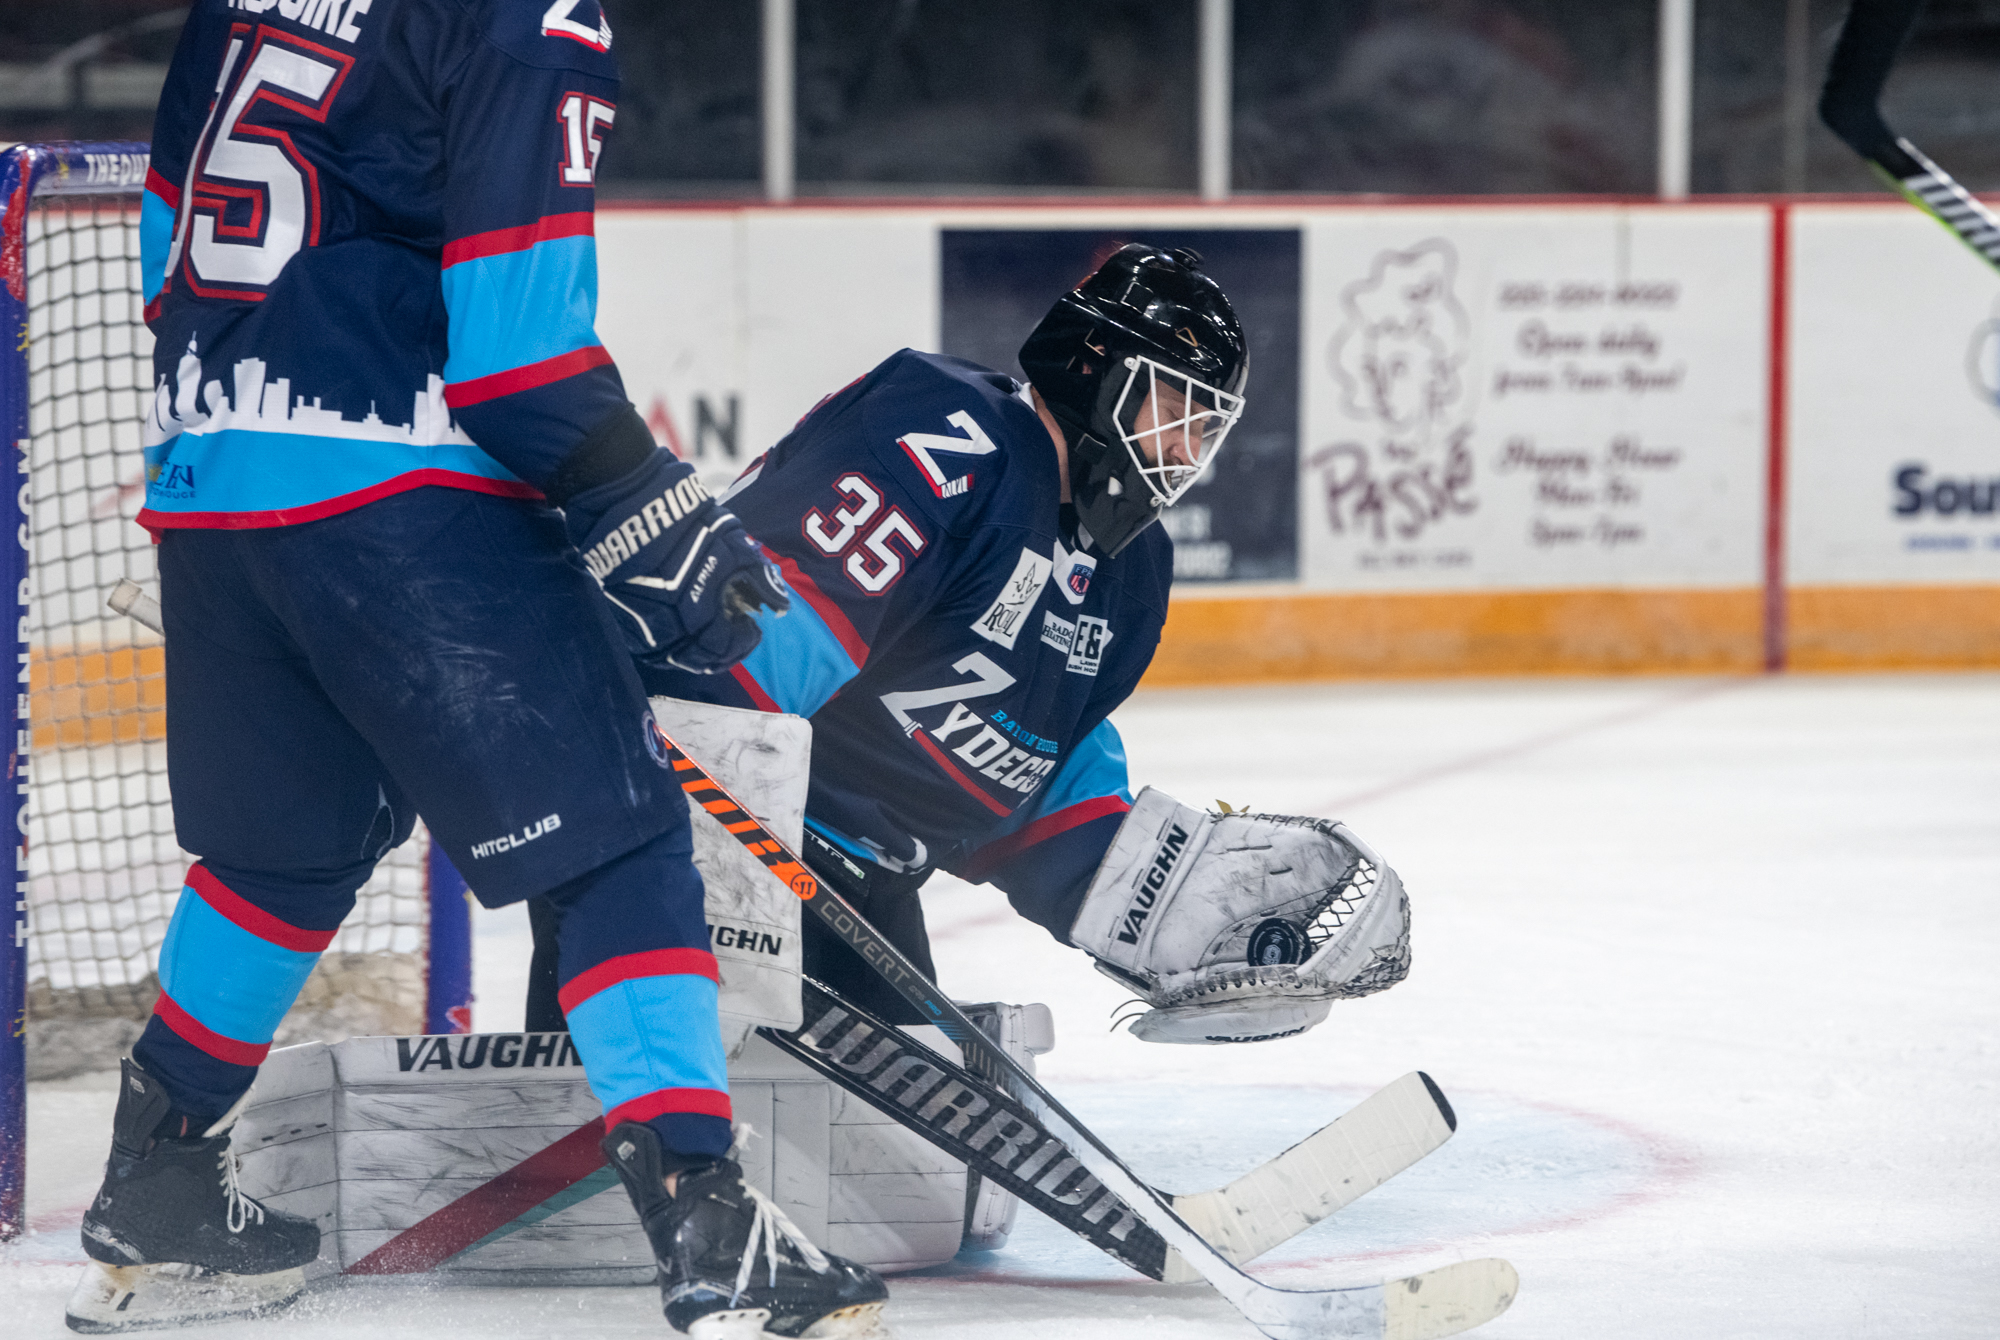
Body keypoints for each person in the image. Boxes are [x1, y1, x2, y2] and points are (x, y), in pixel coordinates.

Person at [70, 2, 885, 1336]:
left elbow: (168, 240)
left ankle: (154, 1176)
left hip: (211, 485)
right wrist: (652, 503)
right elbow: (519, 362)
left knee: (284, 857)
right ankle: (709, 1222)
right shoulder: (526, 14)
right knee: (618, 839)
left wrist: (230, 459)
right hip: (400, 486)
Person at [529, 243, 1413, 1057]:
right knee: (623, 1130)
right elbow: (747, 654)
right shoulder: (950, 432)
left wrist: (1138, 886)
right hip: (691, 821)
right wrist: (704, 827)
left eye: (1205, 427)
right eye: (1171, 406)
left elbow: (1029, 773)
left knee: (911, 1185)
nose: (1183, 449)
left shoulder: (1133, 573)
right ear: (1093, 367)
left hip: (860, 885)